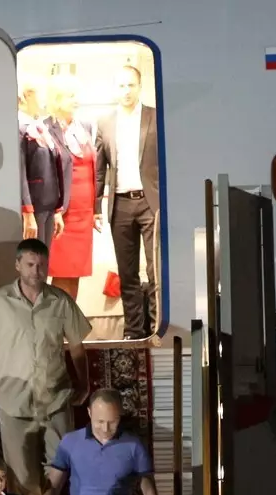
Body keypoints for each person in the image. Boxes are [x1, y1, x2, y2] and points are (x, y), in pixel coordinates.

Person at [0, 238, 91, 495]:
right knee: (21, 475)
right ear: (18, 265)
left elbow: (77, 347)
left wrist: (84, 382)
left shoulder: (60, 301)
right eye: (31, 264)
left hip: (55, 397)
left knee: (61, 465)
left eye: (41, 265)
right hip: (14, 402)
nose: (36, 271)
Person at [95, 64, 160, 339]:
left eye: (130, 85)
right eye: (121, 85)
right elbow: (99, 167)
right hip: (119, 204)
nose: (125, 91)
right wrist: (95, 205)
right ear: (115, 88)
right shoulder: (105, 122)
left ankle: (158, 326)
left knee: (156, 268)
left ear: (139, 86)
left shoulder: (156, 117)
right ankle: (134, 330)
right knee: (127, 272)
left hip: (150, 202)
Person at [45, 79, 101, 298]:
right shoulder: (45, 128)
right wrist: (56, 210)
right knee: (59, 272)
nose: (75, 100)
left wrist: (96, 209)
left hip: (83, 214)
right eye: (70, 96)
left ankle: (69, 325)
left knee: (75, 272)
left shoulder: (84, 127)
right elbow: (46, 172)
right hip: (62, 214)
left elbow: (93, 168)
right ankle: (55, 327)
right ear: (57, 101)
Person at [18, 81, 69, 259]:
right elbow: (19, 172)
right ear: (27, 96)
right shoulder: (19, 128)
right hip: (34, 207)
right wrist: (27, 212)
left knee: (42, 263)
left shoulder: (40, 128)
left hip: (48, 204)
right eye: (40, 93)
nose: (44, 99)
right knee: (32, 264)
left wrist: (57, 210)